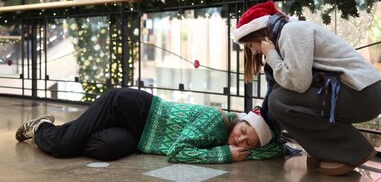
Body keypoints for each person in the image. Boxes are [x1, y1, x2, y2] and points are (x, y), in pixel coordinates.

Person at [233, 0, 381, 176]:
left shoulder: (291, 32)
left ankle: (352, 151)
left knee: (279, 99)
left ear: (257, 33)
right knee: (279, 96)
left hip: (364, 94)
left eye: (251, 45)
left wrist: (271, 55)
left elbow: (298, 82)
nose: (253, 52)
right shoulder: (286, 33)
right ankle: (324, 151)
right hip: (354, 91)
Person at [15, 87, 288, 163]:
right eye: (242, 132)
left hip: (139, 137)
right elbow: (178, 152)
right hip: (128, 107)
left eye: (248, 143)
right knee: (64, 147)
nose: (240, 142)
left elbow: (272, 149)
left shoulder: (244, 140)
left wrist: (267, 147)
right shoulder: (215, 120)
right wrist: (223, 155)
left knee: (105, 147)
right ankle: (41, 127)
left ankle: (75, 131)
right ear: (239, 121)